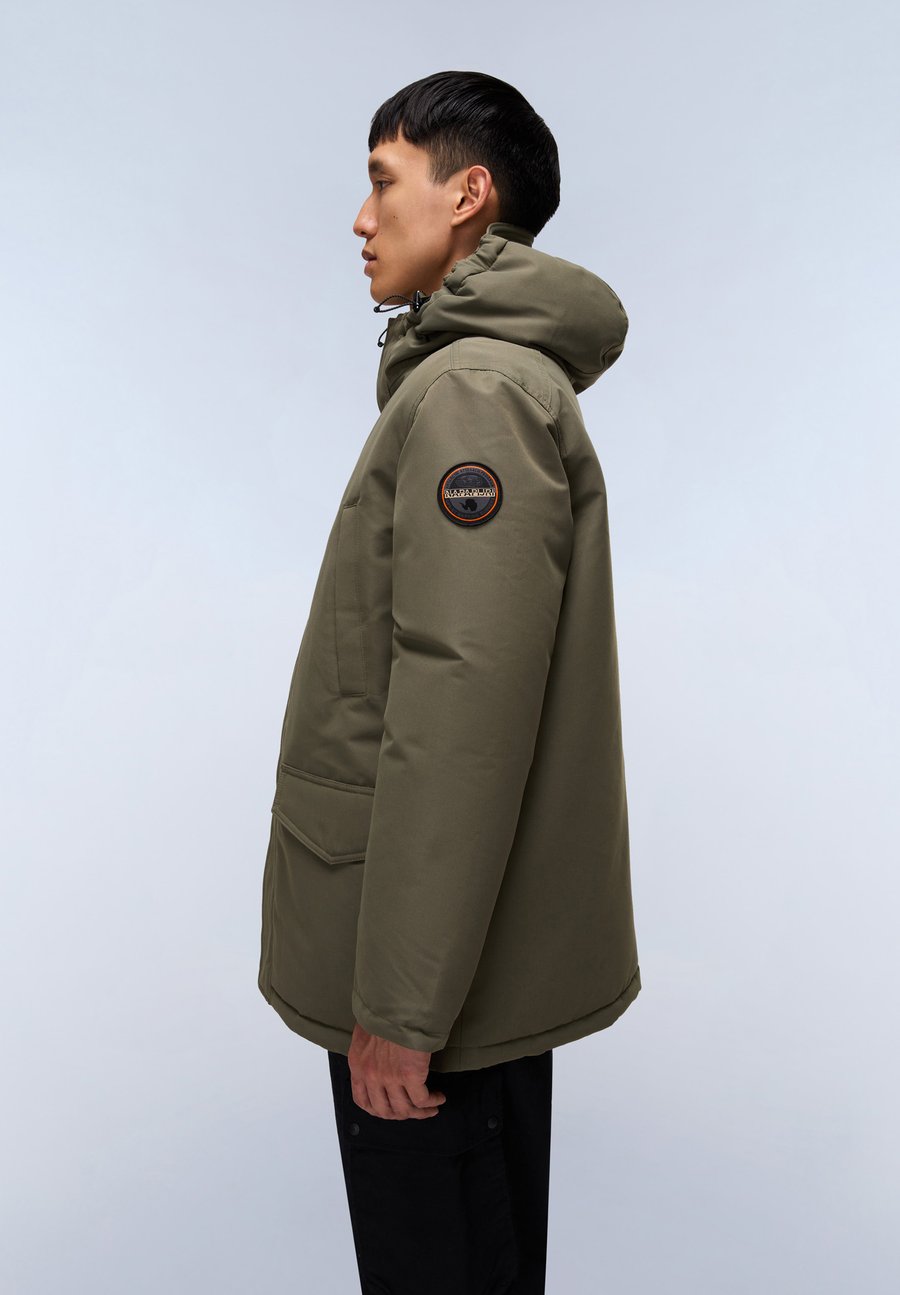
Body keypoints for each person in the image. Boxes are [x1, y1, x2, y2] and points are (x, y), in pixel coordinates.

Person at [257, 69, 642, 1294]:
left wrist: (404, 1007)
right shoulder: (480, 378)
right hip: (452, 958)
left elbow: (460, 707)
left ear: (468, 195)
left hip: (430, 986)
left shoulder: (474, 392)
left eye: (384, 182)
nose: (361, 218)